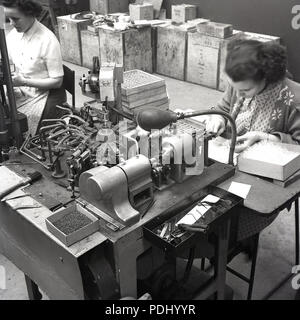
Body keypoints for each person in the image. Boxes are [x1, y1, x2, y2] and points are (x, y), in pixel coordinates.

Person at [206, 39, 300, 153]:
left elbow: (297, 144)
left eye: (246, 90)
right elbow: (223, 108)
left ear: (266, 77)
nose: (238, 94)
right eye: (233, 86)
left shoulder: (294, 99)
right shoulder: (239, 83)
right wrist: (218, 119)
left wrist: (262, 137)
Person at [3, 0, 66, 136]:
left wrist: (24, 81)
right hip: (21, 91)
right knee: (5, 117)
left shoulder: (47, 40)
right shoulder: (13, 35)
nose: (12, 24)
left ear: (30, 13)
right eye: (8, 18)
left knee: (24, 130)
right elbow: (5, 59)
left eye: (15, 19)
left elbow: (57, 81)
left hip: (43, 94)